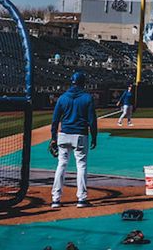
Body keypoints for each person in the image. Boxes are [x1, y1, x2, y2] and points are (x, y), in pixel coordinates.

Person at [51, 72, 97, 209]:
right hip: (80, 135)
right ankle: (81, 199)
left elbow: (55, 121)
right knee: (81, 166)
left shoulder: (62, 98)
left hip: (63, 135)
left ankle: (55, 199)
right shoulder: (87, 98)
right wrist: (94, 136)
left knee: (61, 165)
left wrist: (54, 138)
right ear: (83, 82)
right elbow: (92, 121)